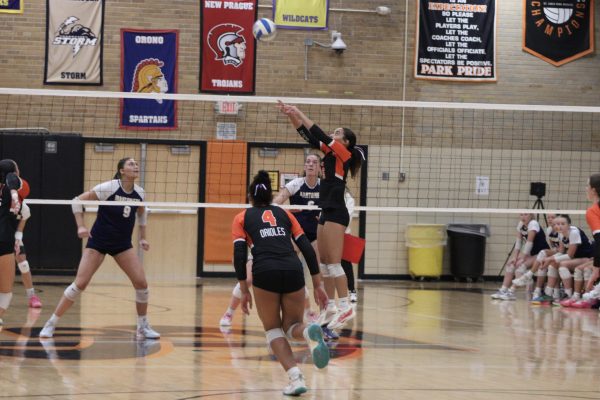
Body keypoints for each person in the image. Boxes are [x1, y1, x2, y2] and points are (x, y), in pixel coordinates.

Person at [231, 170, 329, 396]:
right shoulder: (285, 215)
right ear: (270, 195)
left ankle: (296, 379)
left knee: (273, 330)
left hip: (265, 272)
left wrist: (244, 290)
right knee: (292, 325)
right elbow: (306, 249)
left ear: (250, 197)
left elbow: (238, 257)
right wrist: (318, 284)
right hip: (293, 269)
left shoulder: (242, 218)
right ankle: (306, 333)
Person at [39, 157, 159, 340]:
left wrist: (143, 238)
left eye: (136, 164)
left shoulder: (140, 193)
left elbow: (142, 214)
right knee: (80, 284)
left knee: (141, 284)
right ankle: (51, 323)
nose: (136, 166)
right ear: (122, 171)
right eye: (131, 164)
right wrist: (80, 226)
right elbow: (76, 201)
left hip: (122, 244)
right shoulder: (109, 187)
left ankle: (142, 327)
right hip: (99, 241)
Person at [278, 100, 364, 330]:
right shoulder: (330, 152)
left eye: (337, 133)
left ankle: (346, 307)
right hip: (326, 212)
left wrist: (299, 111)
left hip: (337, 212)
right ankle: (329, 307)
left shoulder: (343, 153)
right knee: (324, 264)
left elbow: (316, 131)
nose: (332, 135)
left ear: (345, 142)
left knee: (335, 264)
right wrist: (291, 115)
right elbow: (306, 135)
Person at [219, 154, 322, 327]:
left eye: (315, 162)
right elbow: (278, 200)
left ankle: (309, 310)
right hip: (284, 240)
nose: (311, 165)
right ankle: (229, 312)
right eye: (308, 162)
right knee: (253, 278)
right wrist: (285, 208)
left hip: (311, 234)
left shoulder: (323, 188)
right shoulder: (293, 188)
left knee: (301, 274)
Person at [491, 213, 549, 300]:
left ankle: (512, 291)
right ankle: (504, 289)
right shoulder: (521, 224)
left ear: (531, 216)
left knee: (520, 267)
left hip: (542, 253)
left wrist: (522, 258)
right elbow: (518, 243)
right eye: (521, 214)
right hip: (532, 254)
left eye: (526, 214)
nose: (523, 217)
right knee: (511, 264)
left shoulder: (533, 223)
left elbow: (529, 243)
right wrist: (515, 257)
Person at [0, 159, 23, 326]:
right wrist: (14, 194)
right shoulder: (14, 187)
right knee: (6, 290)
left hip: (6, 238)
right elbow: (12, 180)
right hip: (3, 240)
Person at [15, 200, 42, 308]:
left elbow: (20, 229)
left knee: (23, 263)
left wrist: (17, 240)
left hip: (11, 235)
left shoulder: (24, 208)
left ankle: (32, 297)